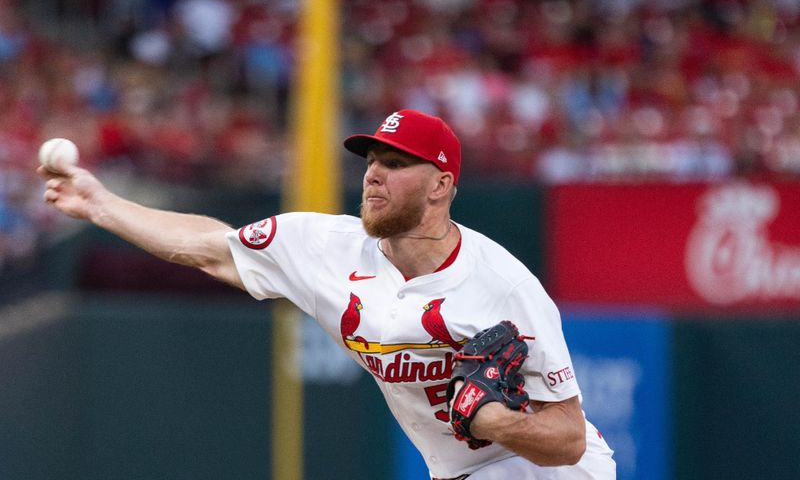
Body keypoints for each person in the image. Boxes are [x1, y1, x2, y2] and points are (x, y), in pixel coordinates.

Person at [40, 109, 615, 479]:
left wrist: (497, 422)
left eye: (395, 163)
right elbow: (210, 248)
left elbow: (566, 438)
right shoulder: (323, 246)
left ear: (442, 185)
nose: (373, 175)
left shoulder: (504, 284)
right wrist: (100, 205)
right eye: (371, 162)